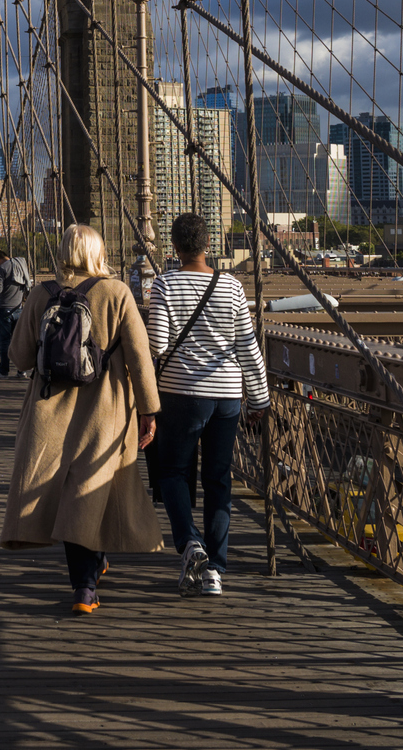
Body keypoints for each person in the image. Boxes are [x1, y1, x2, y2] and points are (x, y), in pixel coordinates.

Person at [1, 225, 162, 615]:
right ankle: (85, 588)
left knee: (73, 493)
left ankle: (86, 579)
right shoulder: (117, 292)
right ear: (98, 251)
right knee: (90, 488)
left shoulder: (40, 294)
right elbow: (141, 359)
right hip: (105, 411)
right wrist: (149, 410)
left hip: (49, 412)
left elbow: (19, 358)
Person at [145, 212, 270, 598]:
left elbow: (158, 345)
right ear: (208, 245)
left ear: (175, 247)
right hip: (228, 396)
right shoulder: (231, 287)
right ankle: (215, 571)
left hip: (181, 393)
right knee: (218, 479)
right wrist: (260, 398)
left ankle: (189, 543)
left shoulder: (164, 284)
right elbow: (247, 347)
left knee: (173, 473)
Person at [0, 248, 32, 378]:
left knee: (4, 342)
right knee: (19, 341)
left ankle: (3, 371)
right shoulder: (21, 264)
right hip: (18, 308)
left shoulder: (2, 268)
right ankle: (21, 370)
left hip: (4, 308)